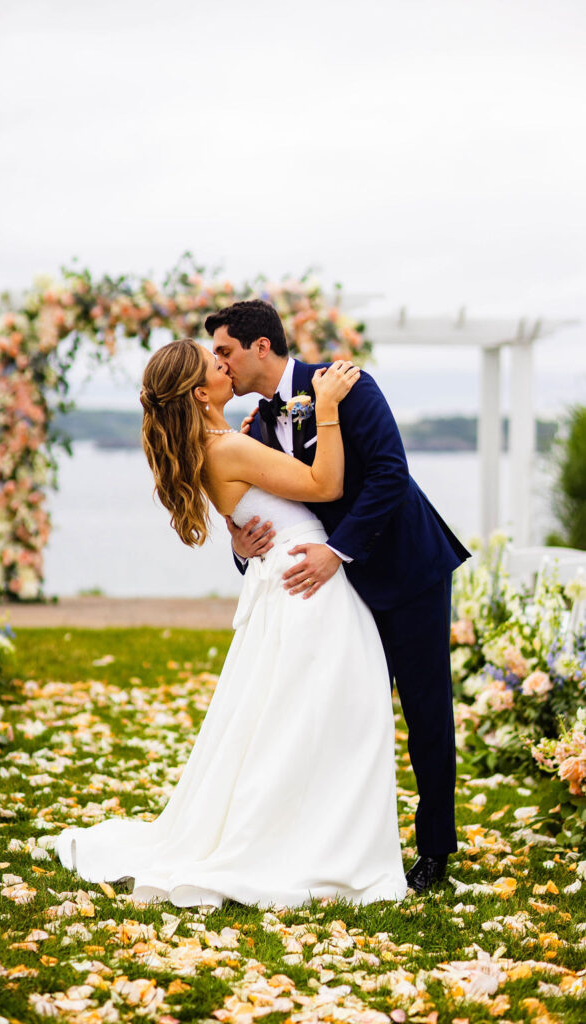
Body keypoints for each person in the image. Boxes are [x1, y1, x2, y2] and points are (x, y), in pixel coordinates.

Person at [54, 337, 408, 908]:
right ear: (200, 392)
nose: (225, 365)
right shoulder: (227, 448)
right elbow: (326, 486)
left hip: (285, 582)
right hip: (307, 583)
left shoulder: (215, 444)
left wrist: (244, 537)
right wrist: (327, 411)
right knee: (334, 720)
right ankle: (319, 844)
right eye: (213, 364)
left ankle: (321, 832)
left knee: (297, 722)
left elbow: (257, 512)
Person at [205, 300, 471, 894]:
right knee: (345, 714)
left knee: (426, 712)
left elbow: (388, 474)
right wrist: (245, 545)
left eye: (224, 350)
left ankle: (433, 852)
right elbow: (273, 506)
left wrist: (337, 552)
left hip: (406, 570)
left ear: (261, 347)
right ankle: (344, 842)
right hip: (335, 596)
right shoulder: (251, 426)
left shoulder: (344, 386)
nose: (219, 363)